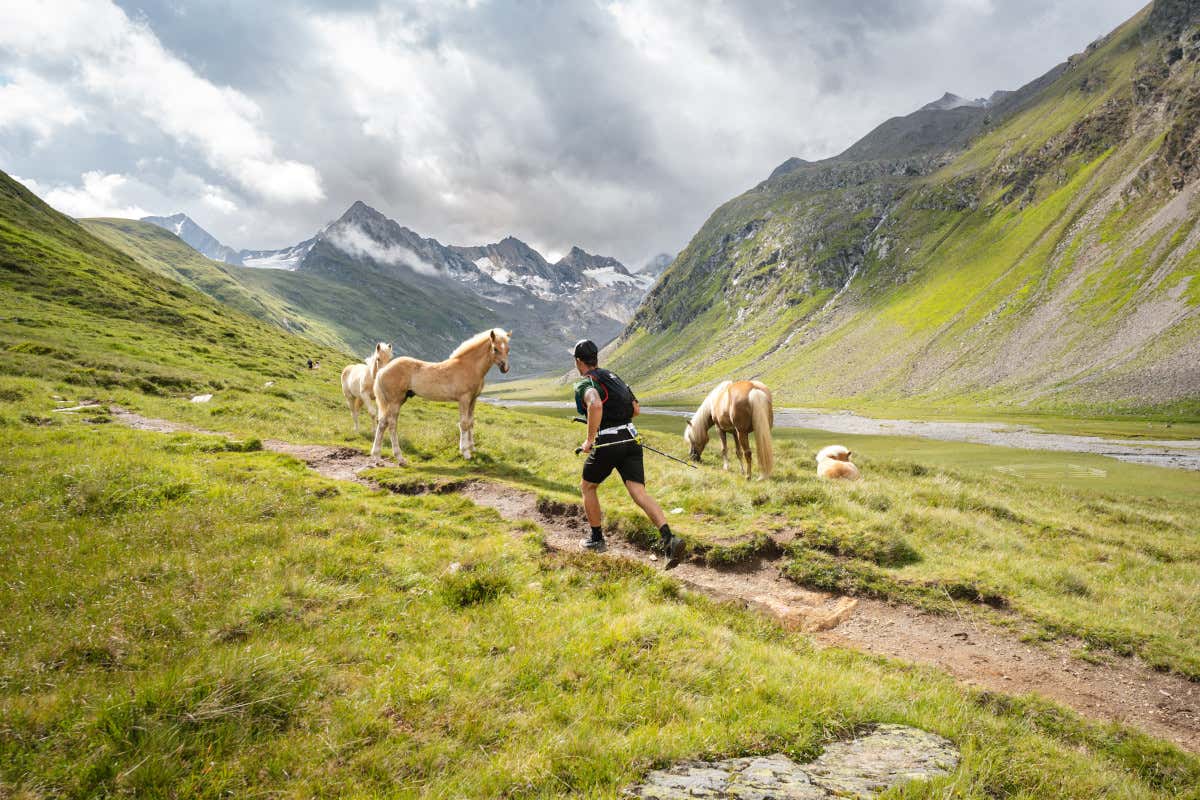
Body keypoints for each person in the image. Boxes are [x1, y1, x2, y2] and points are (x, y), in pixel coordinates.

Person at [572, 339, 685, 568]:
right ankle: (669, 538)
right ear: (596, 357)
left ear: (578, 362)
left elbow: (595, 406)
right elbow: (636, 409)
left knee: (587, 486)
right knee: (638, 491)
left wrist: (589, 440)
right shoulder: (614, 377)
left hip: (609, 441)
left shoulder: (586, 384)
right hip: (632, 438)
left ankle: (596, 539)